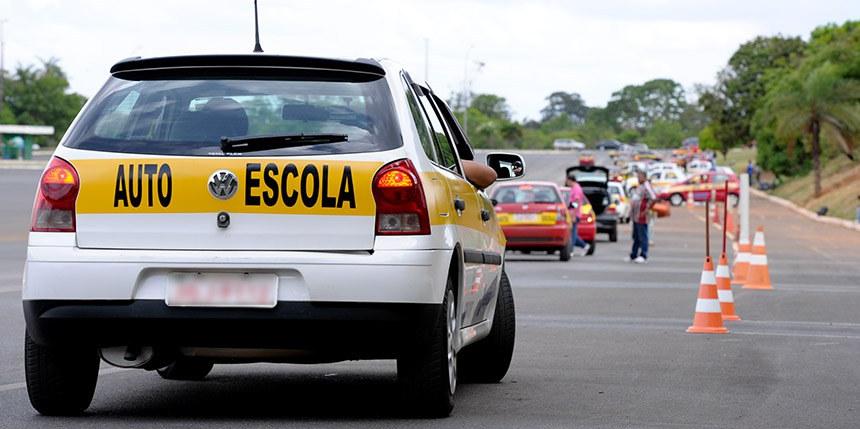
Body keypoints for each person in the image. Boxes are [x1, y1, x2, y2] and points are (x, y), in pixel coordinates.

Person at [628, 169, 656, 263]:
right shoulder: (640, 186)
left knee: (643, 235)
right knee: (636, 236)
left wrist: (647, 209)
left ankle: (643, 254)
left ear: (644, 177)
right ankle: (633, 254)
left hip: (642, 215)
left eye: (639, 176)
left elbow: (653, 198)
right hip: (636, 215)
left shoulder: (646, 186)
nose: (638, 178)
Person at [565, 173, 591, 256]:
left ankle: (571, 250)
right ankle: (584, 245)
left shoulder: (576, 189)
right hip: (572, 213)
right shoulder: (574, 188)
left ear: (570, 180)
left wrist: (573, 215)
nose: (566, 182)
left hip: (575, 214)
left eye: (567, 180)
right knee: (573, 234)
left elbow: (576, 202)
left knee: (572, 234)